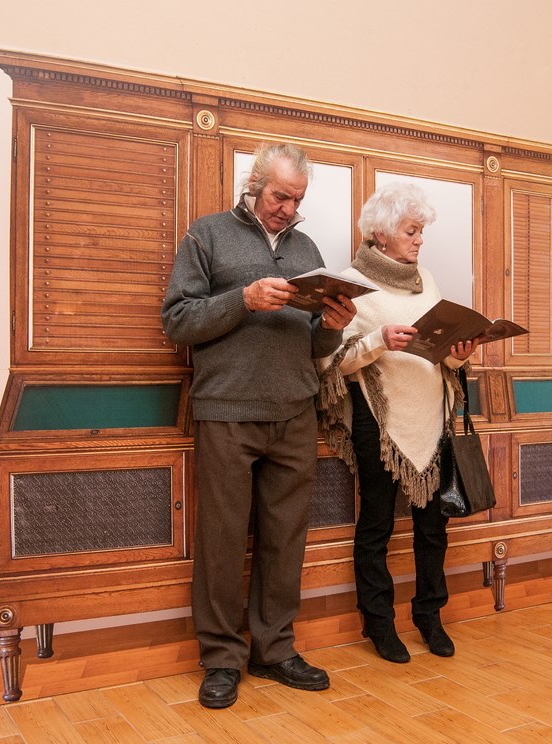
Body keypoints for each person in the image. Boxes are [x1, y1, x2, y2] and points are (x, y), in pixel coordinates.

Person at [161, 142, 357, 708]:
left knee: (285, 540)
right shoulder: (207, 235)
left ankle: (274, 650)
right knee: (222, 543)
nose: (288, 210)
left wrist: (333, 325)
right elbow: (177, 322)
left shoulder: (307, 250)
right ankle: (222, 659)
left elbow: (314, 345)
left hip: (295, 411)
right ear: (254, 185)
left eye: (297, 200)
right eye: (280, 197)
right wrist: (243, 299)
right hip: (226, 411)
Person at [317, 182, 479, 664]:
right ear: (383, 233)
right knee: (377, 527)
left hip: (433, 418)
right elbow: (333, 364)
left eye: (421, 230)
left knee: (433, 528)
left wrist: (458, 354)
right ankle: (378, 622)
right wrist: (379, 341)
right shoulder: (351, 284)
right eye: (411, 231)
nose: (420, 240)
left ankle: (430, 615)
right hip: (380, 422)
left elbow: (440, 352)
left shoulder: (426, 279)